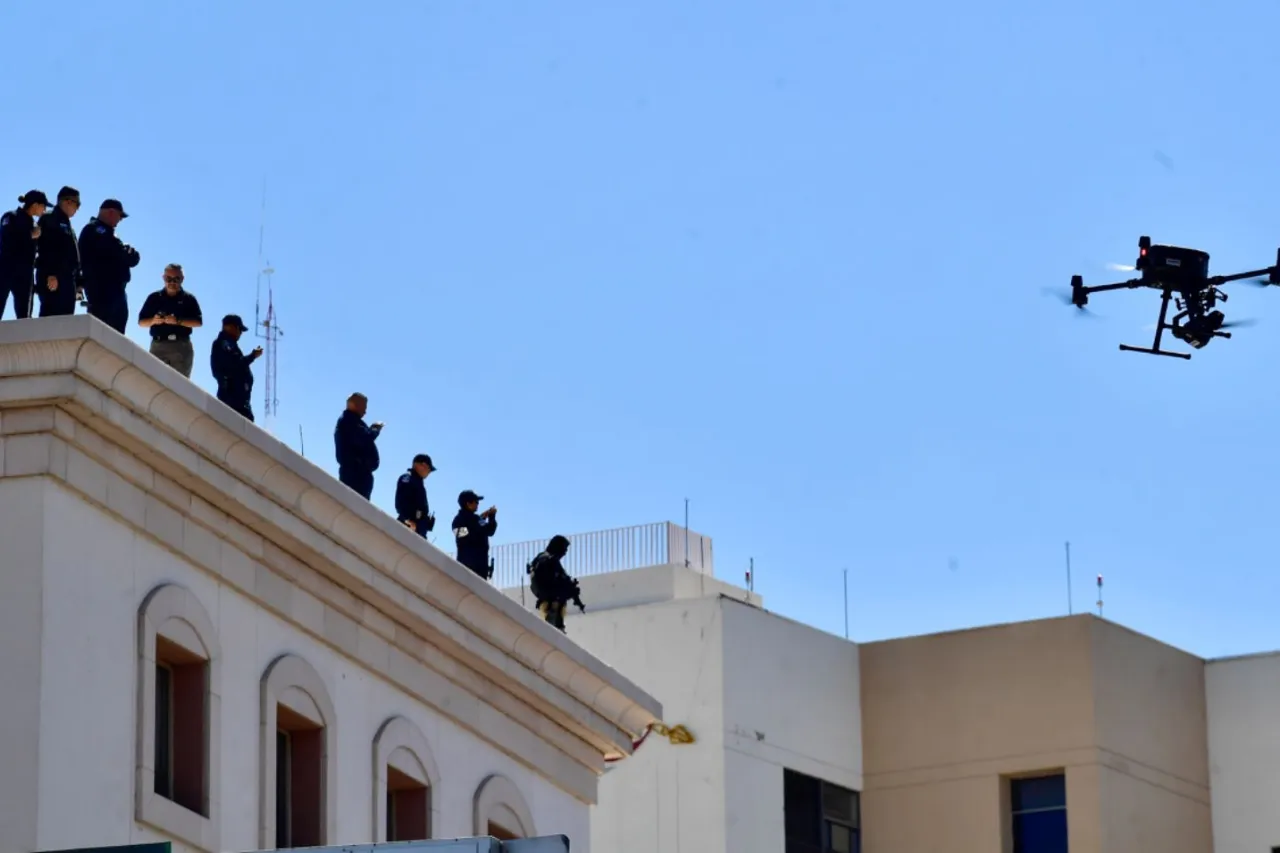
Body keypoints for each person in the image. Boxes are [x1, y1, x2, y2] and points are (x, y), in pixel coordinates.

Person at [79, 199, 139, 333]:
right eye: (120, 216)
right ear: (111, 212)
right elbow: (116, 252)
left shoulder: (109, 233)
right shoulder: (94, 230)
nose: (120, 220)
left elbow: (133, 258)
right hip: (102, 291)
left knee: (117, 337)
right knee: (102, 335)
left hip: (116, 291)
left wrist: (127, 253)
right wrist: (124, 252)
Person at [137, 264, 203, 377]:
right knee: (153, 382)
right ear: (163, 278)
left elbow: (198, 322)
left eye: (176, 279)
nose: (172, 282)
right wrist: (154, 320)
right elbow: (141, 322)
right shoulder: (154, 298)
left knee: (179, 387)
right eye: (169, 278)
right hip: (158, 346)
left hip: (181, 347)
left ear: (182, 279)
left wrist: (178, 321)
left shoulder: (189, 299)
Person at [0, 190, 49, 320]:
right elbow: (7, 239)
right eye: (43, 206)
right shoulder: (11, 216)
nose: (44, 210)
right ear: (35, 205)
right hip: (5, 269)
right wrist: (30, 235)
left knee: (24, 316)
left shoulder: (34, 224)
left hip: (25, 274)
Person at [34, 186, 83, 318]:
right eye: (77, 204)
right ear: (67, 202)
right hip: (53, 278)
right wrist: (51, 273)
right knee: (49, 320)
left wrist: (78, 283)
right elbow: (46, 247)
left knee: (66, 323)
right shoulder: (49, 218)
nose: (77, 209)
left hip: (67, 280)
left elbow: (72, 255)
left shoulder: (67, 225)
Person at [210, 314, 262, 421]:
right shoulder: (223, 344)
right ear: (230, 327)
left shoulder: (231, 345)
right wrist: (252, 356)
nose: (240, 333)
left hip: (240, 401)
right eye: (239, 329)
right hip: (232, 400)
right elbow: (234, 365)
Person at [527, 535, 584, 632]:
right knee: (554, 632)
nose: (564, 553)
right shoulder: (550, 560)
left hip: (547, 602)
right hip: (553, 604)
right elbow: (559, 582)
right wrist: (569, 589)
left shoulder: (540, 558)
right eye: (564, 549)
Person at [334, 393, 383, 499]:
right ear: (355, 405)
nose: (365, 412)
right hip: (355, 475)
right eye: (363, 407)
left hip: (359, 474)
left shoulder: (352, 421)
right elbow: (364, 438)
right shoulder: (348, 421)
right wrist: (375, 430)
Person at [452, 490, 498, 579]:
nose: (477, 504)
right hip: (469, 566)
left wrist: (490, 517)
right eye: (476, 502)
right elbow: (461, 534)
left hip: (478, 565)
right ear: (468, 504)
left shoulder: (475, 519)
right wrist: (479, 523)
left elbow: (489, 530)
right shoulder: (461, 520)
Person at [395, 454, 437, 537]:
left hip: (418, 531)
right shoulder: (408, 478)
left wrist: (426, 522)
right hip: (407, 528)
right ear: (416, 464)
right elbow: (401, 501)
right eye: (426, 466)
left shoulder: (419, 484)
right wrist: (407, 519)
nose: (428, 471)